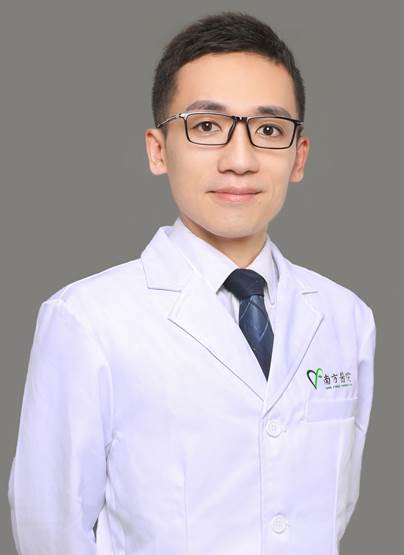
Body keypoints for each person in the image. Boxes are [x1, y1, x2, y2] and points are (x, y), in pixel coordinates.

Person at [8, 10, 376, 555]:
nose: (240, 160)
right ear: (158, 150)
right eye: (206, 127)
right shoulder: (88, 320)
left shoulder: (347, 318)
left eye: (268, 130)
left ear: (299, 157)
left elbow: (329, 511)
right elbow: (50, 528)